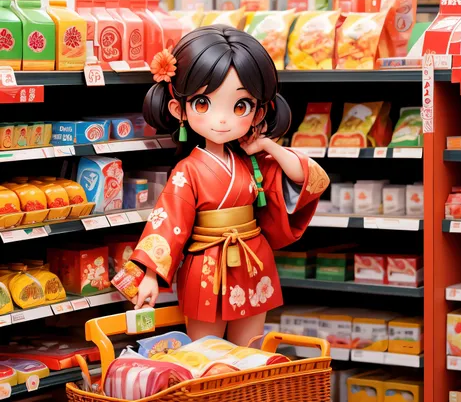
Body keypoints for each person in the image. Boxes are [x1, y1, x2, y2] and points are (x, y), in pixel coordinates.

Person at [130, 25, 329, 346]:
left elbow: (308, 178)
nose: (222, 120)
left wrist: (268, 146)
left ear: (258, 111)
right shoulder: (188, 170)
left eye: (240, 106)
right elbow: (168, 223)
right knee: (206, 353)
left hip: (253, 259)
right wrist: (150, 275)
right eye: (203, 104)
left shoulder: (251, 162)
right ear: (178, 108)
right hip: (207, 265)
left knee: (251, 351)